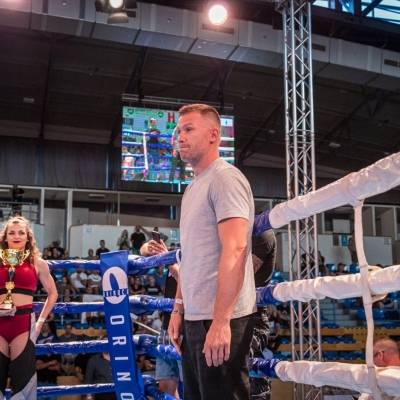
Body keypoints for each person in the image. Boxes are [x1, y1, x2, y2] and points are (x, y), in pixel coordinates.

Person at [168, 104, 256, 399]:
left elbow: (236, 247)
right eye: (179, 131)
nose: (180, 136)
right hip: (196, 316)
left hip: (220, 317)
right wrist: (179, 309)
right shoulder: (192, 188)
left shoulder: (225, 178)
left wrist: (221, 321)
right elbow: (189, 257)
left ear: (213, 135)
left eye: (188, 129)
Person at [0, 216, 58, 399]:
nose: (16, 236)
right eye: (12, 233)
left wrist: (40, 321)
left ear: (28, 237)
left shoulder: (37, 262)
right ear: (5, 237)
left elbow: (53, 293)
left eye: (21, 232)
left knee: (24, 382)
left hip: (23, 324)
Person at [141, 239, 181, 398]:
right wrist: (153, 248)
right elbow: (143, 250)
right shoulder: (175, 252)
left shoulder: (197, 255)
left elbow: (186, 281)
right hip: (166, 329)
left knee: (192, 386)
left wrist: (168, 260)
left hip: (186, 328)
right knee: (165, 386)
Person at [250, 228, 277, 400]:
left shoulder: (262, 232)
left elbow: (244, 272)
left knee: (247, 364)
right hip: (236, 309)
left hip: (253, 312)